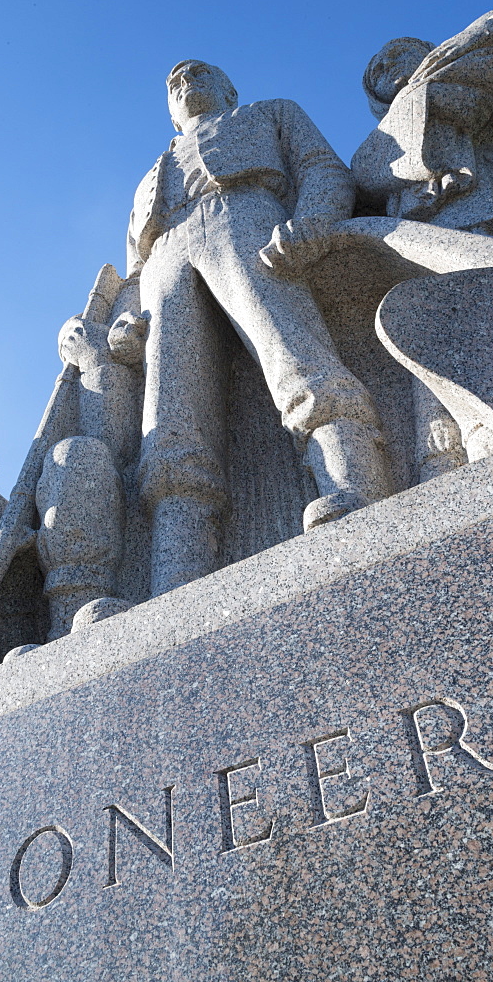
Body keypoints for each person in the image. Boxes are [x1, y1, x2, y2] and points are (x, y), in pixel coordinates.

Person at [108, 59, 391, 597]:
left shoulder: (271, 112)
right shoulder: (150, 175)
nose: (184, 82)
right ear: (170, 113)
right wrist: (127, 313)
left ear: (229, 88)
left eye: (198, 74)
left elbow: (323, 169)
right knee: (170, 415)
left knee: (291, 352)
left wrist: (314, 218)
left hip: (245, 218)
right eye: (174, 83)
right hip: (166, 259)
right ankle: (178, 571)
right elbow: (133, 269)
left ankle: (353, 483)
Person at [352, 0, 493, 243]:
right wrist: (425, 95)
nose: (388, 63)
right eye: (378, 71)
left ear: (432, 53)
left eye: (399, 52)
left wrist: (482, 32)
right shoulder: (375, 147)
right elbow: (366, 180)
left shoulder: (480, 61)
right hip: (444, 216)